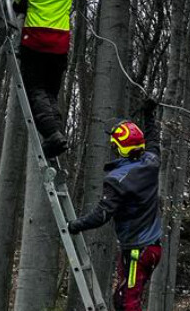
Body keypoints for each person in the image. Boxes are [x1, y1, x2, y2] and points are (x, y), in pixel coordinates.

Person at [67, 99, 162, 311]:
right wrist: (150, 115)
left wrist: (74, 225)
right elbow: (154, 139)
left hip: (138, 250)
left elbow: (101, 215)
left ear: (120, 149)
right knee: (122, 299)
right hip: (153, 248)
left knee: (128, 303)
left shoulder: (117, 179)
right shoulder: (151, 162)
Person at [13, 0, 87, 158]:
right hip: (59, 45)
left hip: (33, 41)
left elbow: (16, 3)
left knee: (35, 90)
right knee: (50, 94)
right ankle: (56, 134)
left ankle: (53, 134)